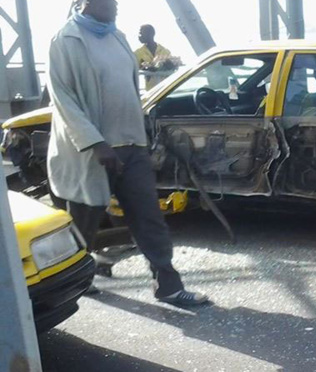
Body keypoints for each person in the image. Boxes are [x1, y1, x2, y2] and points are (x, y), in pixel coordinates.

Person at [47, 0, 207, 306]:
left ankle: (168, 285)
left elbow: (130, 90)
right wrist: (96, 143)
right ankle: (76, 279)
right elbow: (63, 99)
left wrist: (142, 133)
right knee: (84, 221)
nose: (116, 4)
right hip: (92, 152)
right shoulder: (65, 40)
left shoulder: (117, 37)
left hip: (131, 145)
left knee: (149, 217)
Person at [134, 24, 172, 90]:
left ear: (150, 34)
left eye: (141, 33)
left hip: (165, 89)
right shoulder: (137, 53)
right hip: (151, 92)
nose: (139, 36)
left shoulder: (165, 51)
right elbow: (134, 70)